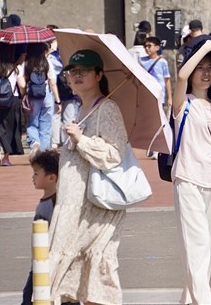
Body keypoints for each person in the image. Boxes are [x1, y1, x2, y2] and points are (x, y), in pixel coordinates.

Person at [49, 49, 128, 305]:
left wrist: (81, 140)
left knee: (96, 269)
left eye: (84, 71)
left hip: (94, 208)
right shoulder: (81, 109)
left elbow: (114, 153)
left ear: (98, 75)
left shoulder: (107, 108)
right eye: (73, 72)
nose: (77, 76)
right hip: (73, 205)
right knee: (71, 276)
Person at [172, 38, 211, 305]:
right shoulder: (182, 104)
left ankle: (189, 300)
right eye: (202, 67)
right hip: (187, 179)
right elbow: (182, 75)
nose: (206, 73)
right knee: (195, 244)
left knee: (205, 247)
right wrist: (207, 48)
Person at [20, 150, 77, 305]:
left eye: (36, 173)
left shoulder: (54, 205)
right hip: (48, 263)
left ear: (51, 177)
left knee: (31, 297)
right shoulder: (52, 202)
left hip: (46, 264)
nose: (33, 177)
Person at [0, 42, 25, 166]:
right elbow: (22, 85)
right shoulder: (16, 67)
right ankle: (6, 158)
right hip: (13, 100)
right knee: (10, 129)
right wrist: (23, 96)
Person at [23, 43, 61, 159]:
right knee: (46, 123)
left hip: (33, 95)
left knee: (32, 121)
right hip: (47, 95)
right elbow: (53, 82)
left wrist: (24, 94)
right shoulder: (47, 63)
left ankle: (35, 142)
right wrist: (58, 101)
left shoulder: (27, 64)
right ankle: (43, 152)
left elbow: (23, 82)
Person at [47, 25, 80, 149]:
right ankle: (61, 142)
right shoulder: (71, 55)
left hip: (62, 90)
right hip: (64, 90)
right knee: (66, 116)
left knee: (61, 116)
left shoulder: (52, 57)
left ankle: (59, 142)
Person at [140, 36, 172, 111]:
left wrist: (170, 98)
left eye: (149, 46)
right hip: (145, 94)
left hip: (159, 95)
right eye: (145, 46)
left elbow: (167, 80)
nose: (147, 48)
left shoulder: (162, 62)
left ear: (157, 47)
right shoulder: (141, 61)